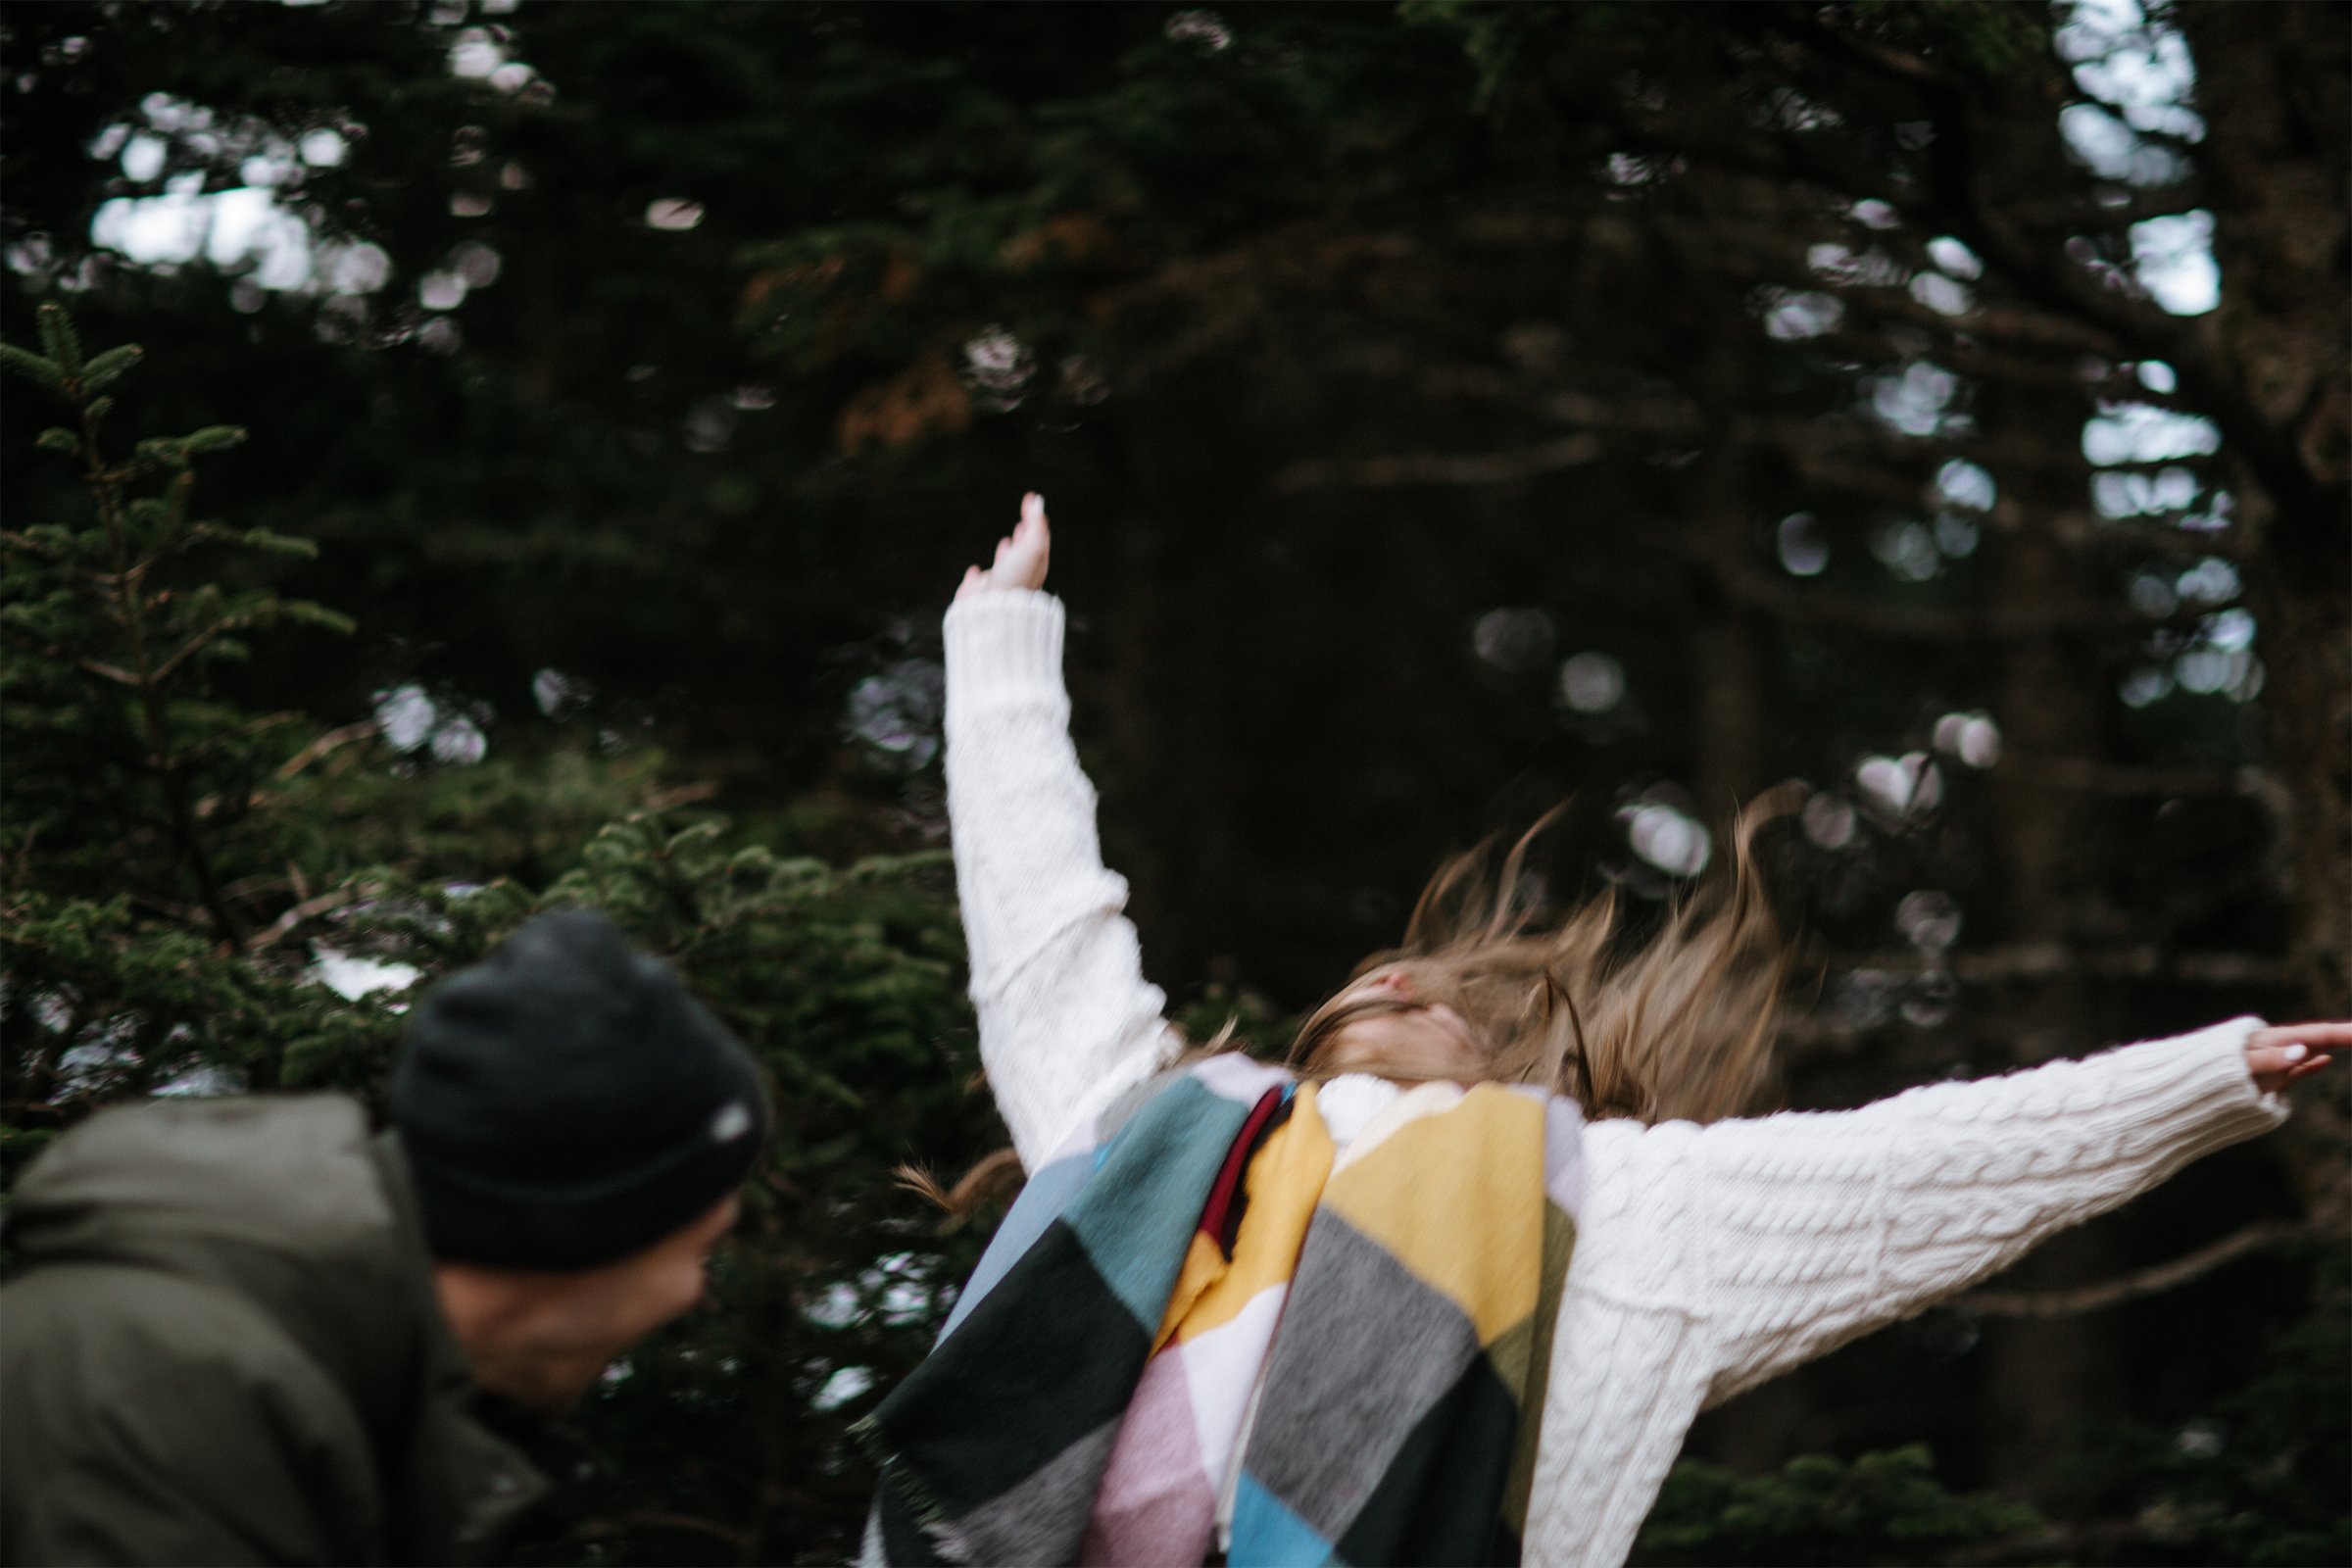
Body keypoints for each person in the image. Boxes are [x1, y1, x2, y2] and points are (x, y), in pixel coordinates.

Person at [858, 494, 2341, 1568]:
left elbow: (1916, 1167)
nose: (1397, 987)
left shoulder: (1593, 1213)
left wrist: (2204, 1078)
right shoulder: (1145, 1132)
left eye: (1442, 995)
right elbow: (1045, 931)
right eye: (1377, 977)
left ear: (1507, 1068)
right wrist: (999, 644)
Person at [0, 908, 769, 1565]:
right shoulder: (165, 1401)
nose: (694, 1292)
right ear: (582, 1238)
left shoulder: (347, 1379)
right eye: (697, 1248)